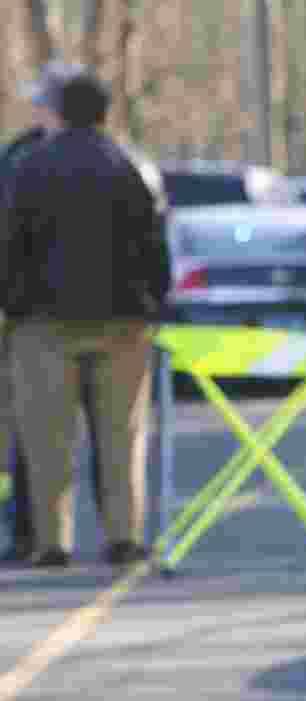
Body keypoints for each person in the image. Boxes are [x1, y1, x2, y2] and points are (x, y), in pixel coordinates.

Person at [0, 68, 171, 569]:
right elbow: (155, 246)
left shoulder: (27, 168)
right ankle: (124, 536)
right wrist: (153, 303)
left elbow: (9, 245)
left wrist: (12, 305)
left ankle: (52, 542)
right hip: (125, 323)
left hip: (45, 323)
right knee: (123, 436)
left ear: (55, 111)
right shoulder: (132, 166)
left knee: (47, 439)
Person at [0, 59, 87, 564]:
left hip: (35, 318)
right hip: (100, 316)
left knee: (35, 433)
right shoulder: (121, 160)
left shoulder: (21, 159)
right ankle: (44, 532)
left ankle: (36, 535)